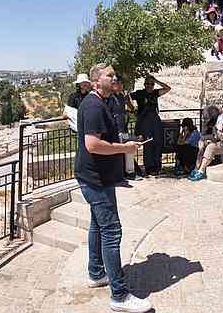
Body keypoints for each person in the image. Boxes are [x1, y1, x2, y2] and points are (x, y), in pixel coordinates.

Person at [73, 63, 152, 313]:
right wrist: (125, 149)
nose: (114, 77)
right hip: (96, 180)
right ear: (97, 81)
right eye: (110, 75)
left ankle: (96, 273)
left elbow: (103, 139)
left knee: (98, 225)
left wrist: (124, 143)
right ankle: (119, 296)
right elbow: (93, 145)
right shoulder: (94, 105)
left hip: (98, 177)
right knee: (112, 231)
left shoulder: (100, 102)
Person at [191, 100, 223, 181]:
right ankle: (196, 168)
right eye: (222, 107)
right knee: (202, 143)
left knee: (211, 147)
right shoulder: (221, 118)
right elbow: (217, 131)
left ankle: (201, 170)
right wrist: (211, 138)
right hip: (220, 140)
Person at [130, 76, 171, 177]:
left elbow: (167, 88)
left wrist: (156, 81)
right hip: (144, 120)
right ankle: (149, 168)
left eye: (151, 84)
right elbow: (127, 97)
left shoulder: (155, 93)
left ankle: (157, 166)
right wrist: (132, 109)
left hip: (155, 119)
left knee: (157, 142)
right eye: (148, 84)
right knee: (148, 143)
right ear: (144, 84)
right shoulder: (139, 93)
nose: (150, 86)